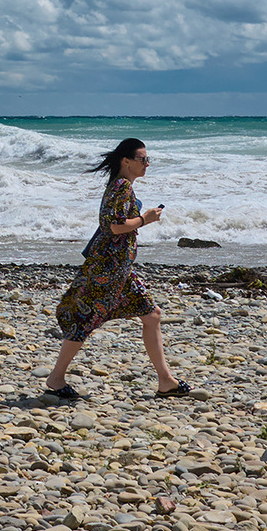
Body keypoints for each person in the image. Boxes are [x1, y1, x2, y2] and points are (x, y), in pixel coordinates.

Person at [44, 137, 191, 399]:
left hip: (120, 268)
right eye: (142, 159)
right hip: (108, 269)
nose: (147, 164)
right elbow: (114, 226)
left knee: (152, 315)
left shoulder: (121, 185)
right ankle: (56, 378)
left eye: (148, 159)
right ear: (126, 161)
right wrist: (145, 219)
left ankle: (166, 381)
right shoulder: (121, 186)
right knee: (84, 321)